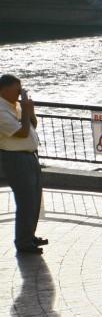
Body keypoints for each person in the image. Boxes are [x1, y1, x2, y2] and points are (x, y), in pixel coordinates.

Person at [0, 74, 45, 255]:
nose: (20, 93)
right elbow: (22, 133)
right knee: (26, 200)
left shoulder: (15, 106)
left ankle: (29, 235)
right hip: (15, 159)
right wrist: (25, 111)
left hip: (30, 156)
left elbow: (32, 125)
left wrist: (30, 111)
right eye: (17, 89)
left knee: (35, 198)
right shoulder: (1, 111)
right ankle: (23, 242)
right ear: (4, 89)